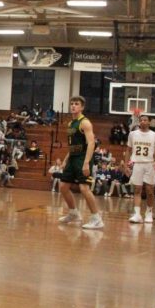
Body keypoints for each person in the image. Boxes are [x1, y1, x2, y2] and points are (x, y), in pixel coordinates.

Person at [57, 96, 103, 229]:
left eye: (76, 104)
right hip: (72, 157)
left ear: (82, 107)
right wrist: (66, 160)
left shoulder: (85, 122)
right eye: (71, 104)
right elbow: (73, 145)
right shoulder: (71, 124)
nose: (73, 106)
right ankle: (73, 213)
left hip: (83, 158)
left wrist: (86, 162)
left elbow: (91, 143)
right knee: (63, 187)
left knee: (84, 188)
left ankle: (97, 218)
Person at [125, 114, 155, 223]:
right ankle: (137, 214)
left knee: (150, 190)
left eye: (145, 120)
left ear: (149, 122)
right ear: (139, 122)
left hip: (149, 164)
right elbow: (128, 150)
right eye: (141, 120)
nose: (143, 121)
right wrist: (127, 165)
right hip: (137, 164)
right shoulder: (132, 134)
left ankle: (149, 213)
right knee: (137, 189)